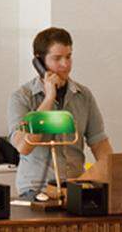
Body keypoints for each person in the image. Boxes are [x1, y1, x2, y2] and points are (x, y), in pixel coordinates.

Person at [8, 26, 113, 201]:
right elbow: (24, 146)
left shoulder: (83, 95)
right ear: (39, 62)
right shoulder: (21, 98)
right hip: (36, 191)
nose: (65, 64)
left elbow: (99, 143)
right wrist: (49, 98)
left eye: (69, 56)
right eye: (57, 58)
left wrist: (112, 173)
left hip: (75, 188)